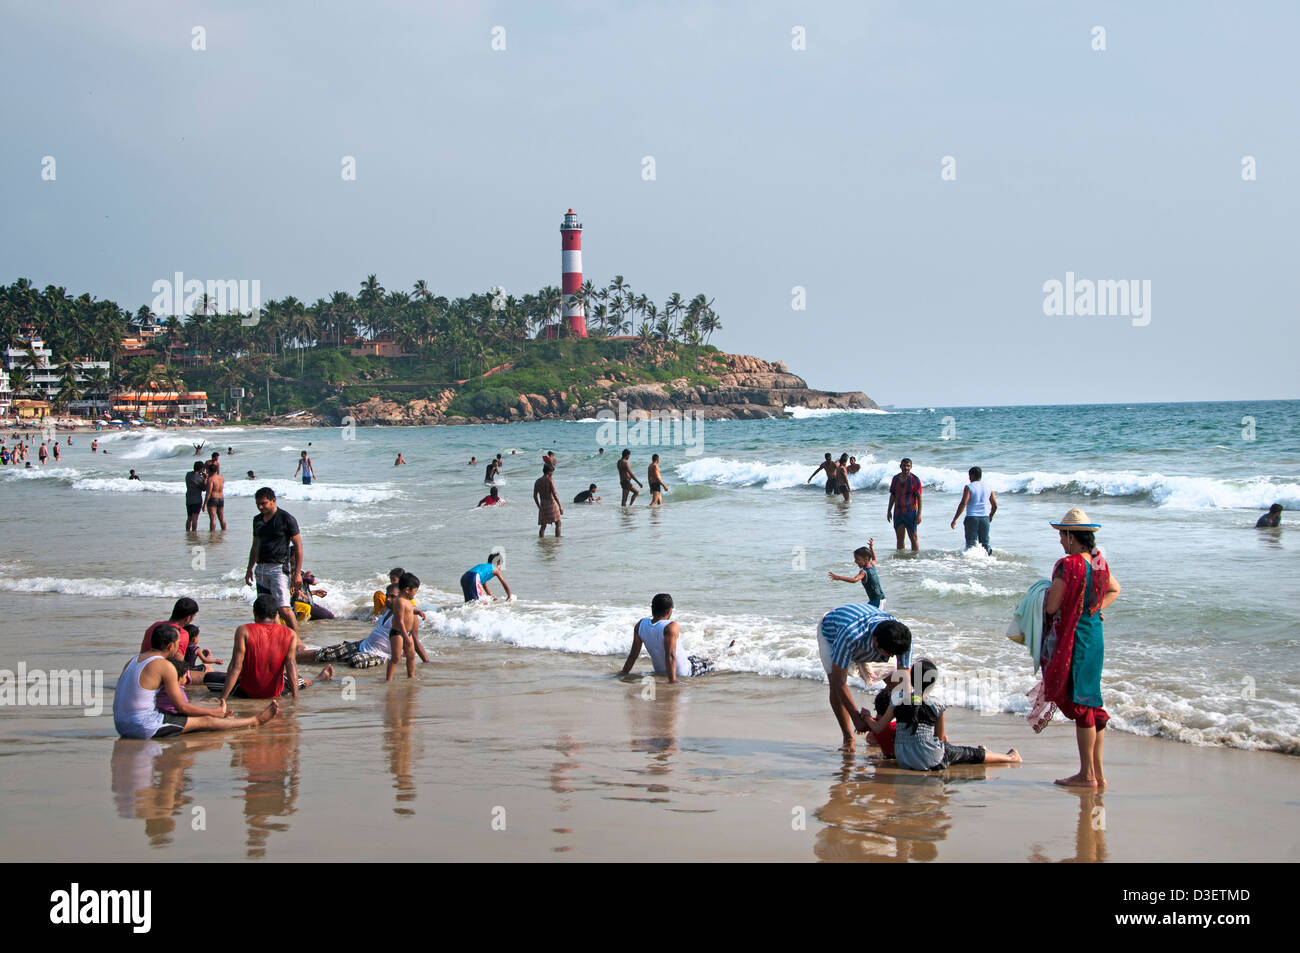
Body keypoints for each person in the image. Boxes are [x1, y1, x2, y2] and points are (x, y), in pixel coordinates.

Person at [1028, 508, 1121, 787]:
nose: (1059, 541)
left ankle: (1086, 774)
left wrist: (1036, 599)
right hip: (1094, 637)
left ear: (1071, 536)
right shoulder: (1099, 562)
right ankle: (1098, 773)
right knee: (1092, 703)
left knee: (1081, 706)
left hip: (1074, 641)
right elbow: (1115, 590)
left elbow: (1053, 606)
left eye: (1060, 535)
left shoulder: (1067, 565)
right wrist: (1095, 608)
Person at [113, 622, 277, 738]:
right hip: (141, 727)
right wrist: (215, 712)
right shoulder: (164, 666)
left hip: (120, 724)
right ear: (170, 646)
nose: (179, 648)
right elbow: (182, 707)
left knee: (192, 723)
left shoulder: (133, 660)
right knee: (206, 721)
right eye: (178, 644)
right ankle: (255, 720)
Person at [861, 659, 1021, 770]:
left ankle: (982, 753)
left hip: (904, 760)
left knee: (958, 753)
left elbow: (879, 727)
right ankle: (1011, 758)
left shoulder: (897, 699)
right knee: (968, 753)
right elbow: (941, 739)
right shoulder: (936, 704)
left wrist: (867, 716)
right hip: (930, 761)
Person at [817, 603, 913, 752]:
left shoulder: (901, 638)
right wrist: (856, 717)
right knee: (834, 685)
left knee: (896, 682)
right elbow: (839, 681)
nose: (892, 657)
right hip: (832, 633)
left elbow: (904, 681)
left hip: (869, 640)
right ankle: (848, 738)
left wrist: (917, 703)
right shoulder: (850, 636)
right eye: (889, 654)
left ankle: (877, 731)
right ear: (875, 641)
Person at [215, 595, 332, 701]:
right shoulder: (290, 634)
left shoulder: (243, 631)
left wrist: (223, 699)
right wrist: (295, 698)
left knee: (213, 678)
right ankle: (319, 678)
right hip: (276, 692)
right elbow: (291, 665)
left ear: (255, 614)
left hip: (247, 691)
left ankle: (318, 678)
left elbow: (236, 666)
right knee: (302, 680)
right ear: (276, 614)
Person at [244, 487, 303, 633]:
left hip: (278, 568)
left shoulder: (286, 518)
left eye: (264, 503)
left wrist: (297, 573)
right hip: (261, 569)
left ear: (273, 500)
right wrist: (249, 569)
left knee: (283, 608)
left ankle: (297, 641)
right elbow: (255, 546)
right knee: (268, 610)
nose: (260, 507)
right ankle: (276, 638)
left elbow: (298, 547)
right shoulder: (257, 520)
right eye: (258, 504)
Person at [621, 593, 714, 682]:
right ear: (669, 611)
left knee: (693, 657)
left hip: (660, 672)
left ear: (652, 608)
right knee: (712, 664)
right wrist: (672, 681)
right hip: (685, 672)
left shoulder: (641, 624)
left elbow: (633, 655)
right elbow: (670, 655)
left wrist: (623, 673)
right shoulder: (670, 626)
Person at [314, 584, 400, 669]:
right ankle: (300, 656)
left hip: (380, 654)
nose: (388, 599)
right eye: (387, 596)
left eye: (393, 596)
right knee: (324, 653)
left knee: (356, 661)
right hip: (364, 644)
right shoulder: (388, 610)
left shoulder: (403, 616)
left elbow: (409, 641)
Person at [386, 573, 427, 682]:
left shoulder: (407, 600)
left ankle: (411, 676)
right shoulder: (399, 601)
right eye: (415, 591)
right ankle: (388, 680)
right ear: (407, 590)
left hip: (406, 634)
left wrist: (417, 611)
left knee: (411, 656)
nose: (415, 593)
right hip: (398, 633)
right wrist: (405, 636)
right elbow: (399, 620)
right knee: (396, 658)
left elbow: (408, 612)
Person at [950, 466, 997, 554]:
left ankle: (971, 564)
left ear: (972, 476)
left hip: (972, 518)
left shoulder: (969, 487)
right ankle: (988, 562)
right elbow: (995, 505)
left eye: (969, 476)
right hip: (984, 518)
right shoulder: (988, 487)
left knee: (971, 544)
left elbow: (963, 503)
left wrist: (955, 519)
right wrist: (990, 516)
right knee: (985, 544)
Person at [827, 540, 886, 609]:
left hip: (878, 601)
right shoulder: (871, 564)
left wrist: (839, 577)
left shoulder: (863, 572)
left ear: (866, 559)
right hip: (877, 599)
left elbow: (854, 580)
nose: (855, 561)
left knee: (875, 618)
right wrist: (871, 548)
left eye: (858, 559)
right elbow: (874, 559)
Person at [887, 457, 923, 551]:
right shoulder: (895, 479)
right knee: (899, 539)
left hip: (910, 512)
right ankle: (901, 562)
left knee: (913, 538)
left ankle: (915, 560)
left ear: (911, 467)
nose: (906, 467)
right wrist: (889, 510)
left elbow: (919, 498)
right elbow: (893, 495)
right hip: (898, 512)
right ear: (900, 466)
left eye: (908, 466)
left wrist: (919, 514)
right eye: (904, 465)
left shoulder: (915, 480)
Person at [864, 688, 896, 757]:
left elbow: (869, 739)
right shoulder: (897, 726)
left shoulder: (875, 725)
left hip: (887, 756)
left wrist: (866, 716)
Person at [534, 463, 563, 537]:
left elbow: (534, 496)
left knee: (543, 525)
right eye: (552, 472)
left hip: (543, 505)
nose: (552, 473)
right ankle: (558, 540)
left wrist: (539, 506)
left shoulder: (537, 481)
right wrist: (560, 506)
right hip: (551, 503)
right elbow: (554, 493)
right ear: (549, 471)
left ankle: (541, 541)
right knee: (558, 523)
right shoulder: (550, 480)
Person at [184, 461, 207, 531]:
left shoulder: (188, 474)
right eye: (203, 468)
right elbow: (204, 488)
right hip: (196, 500)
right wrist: (205, 479)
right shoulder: (199, 478)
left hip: (189, 499)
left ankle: (187, 532)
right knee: (195, 519)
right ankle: (194, 533)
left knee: (189, 518)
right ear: (200, 469)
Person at [204, 460, 226, 531]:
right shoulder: (221, 478)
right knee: (222, 518)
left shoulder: (211, 479)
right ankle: (224, 531)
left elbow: (209, 492)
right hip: (221, 498)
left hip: (213, 499)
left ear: (209, 471)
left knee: (213, 519)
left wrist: (204, 504)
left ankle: (212, 534)